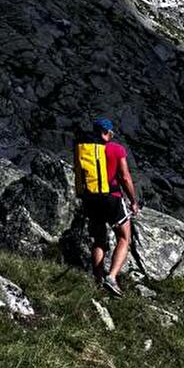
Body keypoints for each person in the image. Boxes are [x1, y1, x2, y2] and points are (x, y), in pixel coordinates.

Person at [73, 116, 139, 297]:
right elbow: (125, 177)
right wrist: (133, 201)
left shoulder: (85, 150)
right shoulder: (116, 149)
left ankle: (98, 282)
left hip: (90, 198)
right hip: (112, 198)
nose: (112, 135)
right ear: (106, 132)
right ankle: (112, 276)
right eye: (111, 132)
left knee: (99, 240)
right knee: (124, 238)